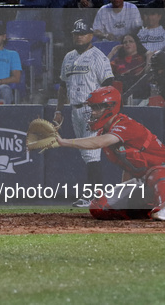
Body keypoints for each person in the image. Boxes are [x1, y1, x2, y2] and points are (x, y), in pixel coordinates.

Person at [57, 86, 165, 221]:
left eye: (96, 108)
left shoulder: (125, 124)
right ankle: (147, 213)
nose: (93, 113)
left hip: (160, 175)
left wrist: (63, 142)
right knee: (98, 208)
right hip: (146, 182)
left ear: (110, 107)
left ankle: (163, 207)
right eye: (92, 108)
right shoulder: (104, 132)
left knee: (157, 172)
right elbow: (129, 167)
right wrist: (127, 198)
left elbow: (98, 142)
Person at [54, 19, 114, 208]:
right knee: (86, 154)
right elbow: (63, 86)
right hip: (75, 109)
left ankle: (96, 197)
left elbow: (109, 84)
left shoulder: (98, 56)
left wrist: (103, 112)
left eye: (83, 33)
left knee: (92, 154)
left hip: (92, 110)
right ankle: (95, 196)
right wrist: (58, 110)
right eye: (76, 33)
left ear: (91, 35)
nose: (79, 36)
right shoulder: (69, 57)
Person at [107, 33, 150, 99]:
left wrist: (149, 56)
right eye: (125, 42)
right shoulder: (117, 61)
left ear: (136, 44)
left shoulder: (143, 59)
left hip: (139, 92)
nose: (127, 44)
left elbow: (148, 73)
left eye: (131, 41)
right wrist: (112, 53)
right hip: (120, 92)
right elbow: (103, 69)